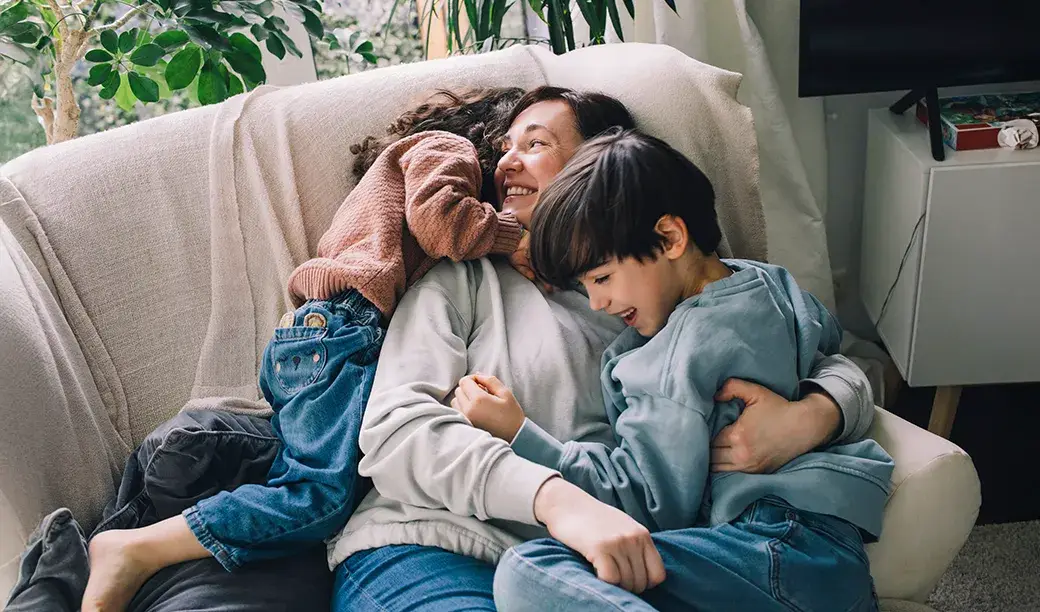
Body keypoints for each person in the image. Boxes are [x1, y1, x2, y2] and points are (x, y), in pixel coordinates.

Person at [326, 87, 879, 611]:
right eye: (504, 148)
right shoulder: (464, 281)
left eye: (536, 144)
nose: (507, 162)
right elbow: (396, 430)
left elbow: (826, 358)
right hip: (440, 542)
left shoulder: (668, 290)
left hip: (614, 556)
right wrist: (553, 498)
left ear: (595, 164)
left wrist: (817, 414)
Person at [80, 87, 541, 612]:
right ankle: (136, 548)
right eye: (511, 144)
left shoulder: (402, 167)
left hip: (319, 337)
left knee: (320, 475)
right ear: (487, 134)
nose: (512, 164)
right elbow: (442, 224)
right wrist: (515, 238)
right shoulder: (444, 148)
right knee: (317, 498)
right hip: (346, 332)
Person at [454, 129, 894, 611]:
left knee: (529, 570)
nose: (597, 302)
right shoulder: (769, 283)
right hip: (829, 554)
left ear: (670, 238)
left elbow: (645, 504)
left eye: (602, 278)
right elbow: (832, 355)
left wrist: (520, 433)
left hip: (775, 551)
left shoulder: (674, 357)